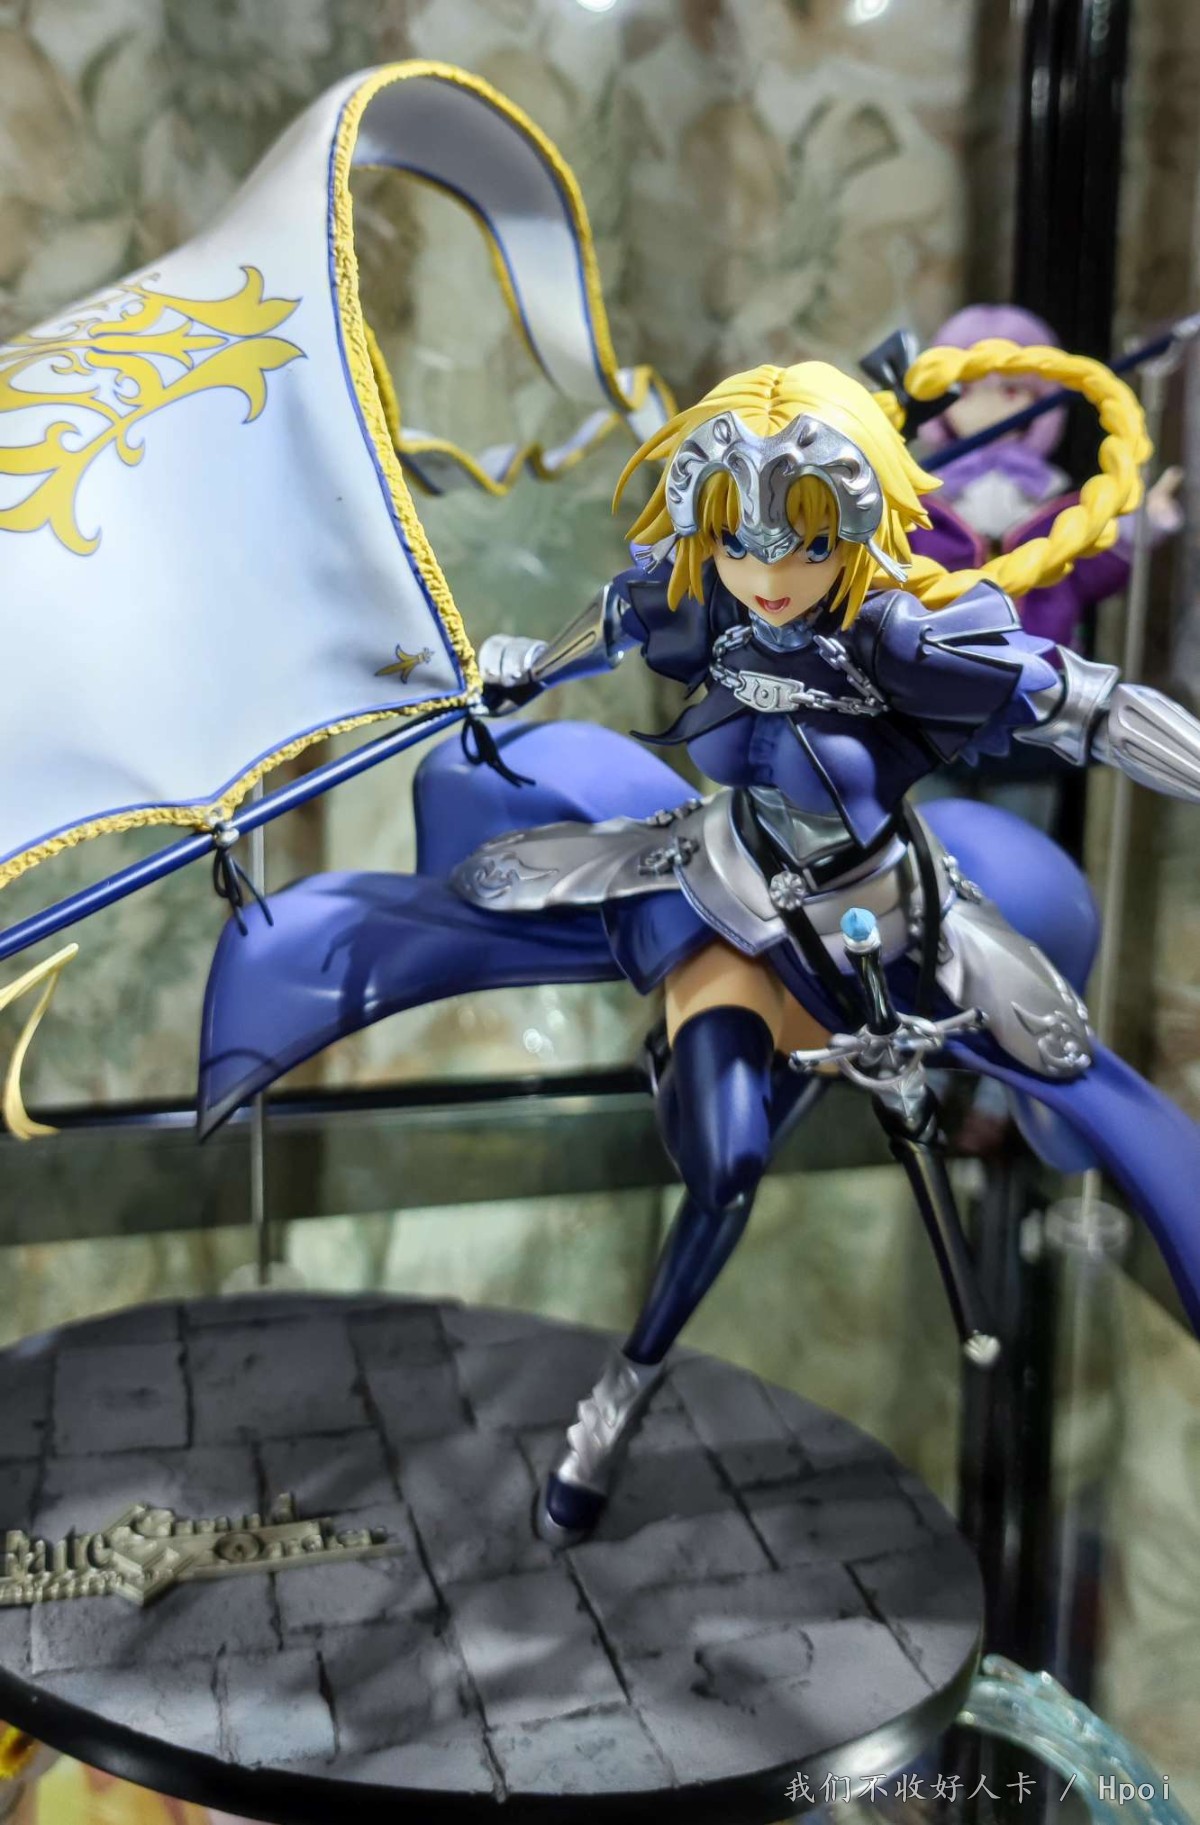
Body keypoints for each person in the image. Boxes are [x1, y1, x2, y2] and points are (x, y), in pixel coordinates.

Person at [197, 341, 1200, 1547]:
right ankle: (621, 1397)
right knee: (722, 1165)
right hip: (730, 893)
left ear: (853, 530)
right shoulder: (700, 600)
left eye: (806, 545)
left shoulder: (904, 638)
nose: (770, 576)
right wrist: (522, 669)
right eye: (741, 543)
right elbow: (613, 619)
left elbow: (1094, 707)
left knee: (1063, 1061)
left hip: (886, 918)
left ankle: (1031, 1140)